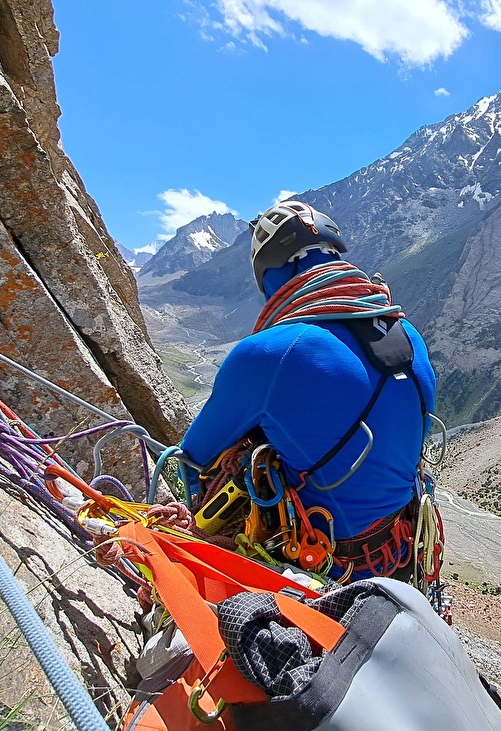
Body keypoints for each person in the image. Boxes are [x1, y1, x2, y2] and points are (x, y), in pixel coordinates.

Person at [178, 200, 437, 583]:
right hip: (400, 548)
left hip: (319, 559)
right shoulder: (409, 335)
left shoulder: (269, 352)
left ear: (269, 270)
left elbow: (194, 459)